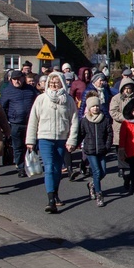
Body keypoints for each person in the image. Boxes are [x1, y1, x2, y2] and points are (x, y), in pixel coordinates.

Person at [25, 72, 79, 214]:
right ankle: (50, 201)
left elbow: (74, 121)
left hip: (62, 139)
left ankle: (55, 193)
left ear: (62, 83)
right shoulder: (41, 99)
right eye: (52, 83)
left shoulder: (69, 100)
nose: (54, 86)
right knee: (48, 168)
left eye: (57, 83)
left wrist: (72, 139)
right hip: (45, 138)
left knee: (56, 169)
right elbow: (33, 120)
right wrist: (30, 140)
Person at [0, 70, 38, 178]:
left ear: (23, 79)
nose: (17, 81)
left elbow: (36, 104)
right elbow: (2, 108)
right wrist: (5, 124)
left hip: (31, 123)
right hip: (15, 123)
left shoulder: (30, 90)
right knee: (18, 146)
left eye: (19, 79)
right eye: (14, 79)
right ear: (11, 80)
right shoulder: (7, 91)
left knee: (31, 145)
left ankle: (30, 165)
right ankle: (20, 167)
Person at [77, 96, 113, 207]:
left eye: (97, 106)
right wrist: (75, 144)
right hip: (90, 150)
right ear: (89, 108)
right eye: (93, 106)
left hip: (102, 150)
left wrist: (107, 146)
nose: (95, 108)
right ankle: (99, 195)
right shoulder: (84, 121)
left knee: (103, 172)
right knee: (96, 172)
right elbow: (81, 134)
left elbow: (109, 134)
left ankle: (92, 184)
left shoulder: (105, 119)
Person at [109, 77, 134, 181]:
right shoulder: (116, 98)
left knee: (131, 148)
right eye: (126, 88)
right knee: (120, 148)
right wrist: (125, 117)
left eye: (130, 88)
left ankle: (131, 167)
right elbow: (113, 111)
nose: (128, 90)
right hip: (120, 126)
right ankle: (121, 167)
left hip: (132, 127)